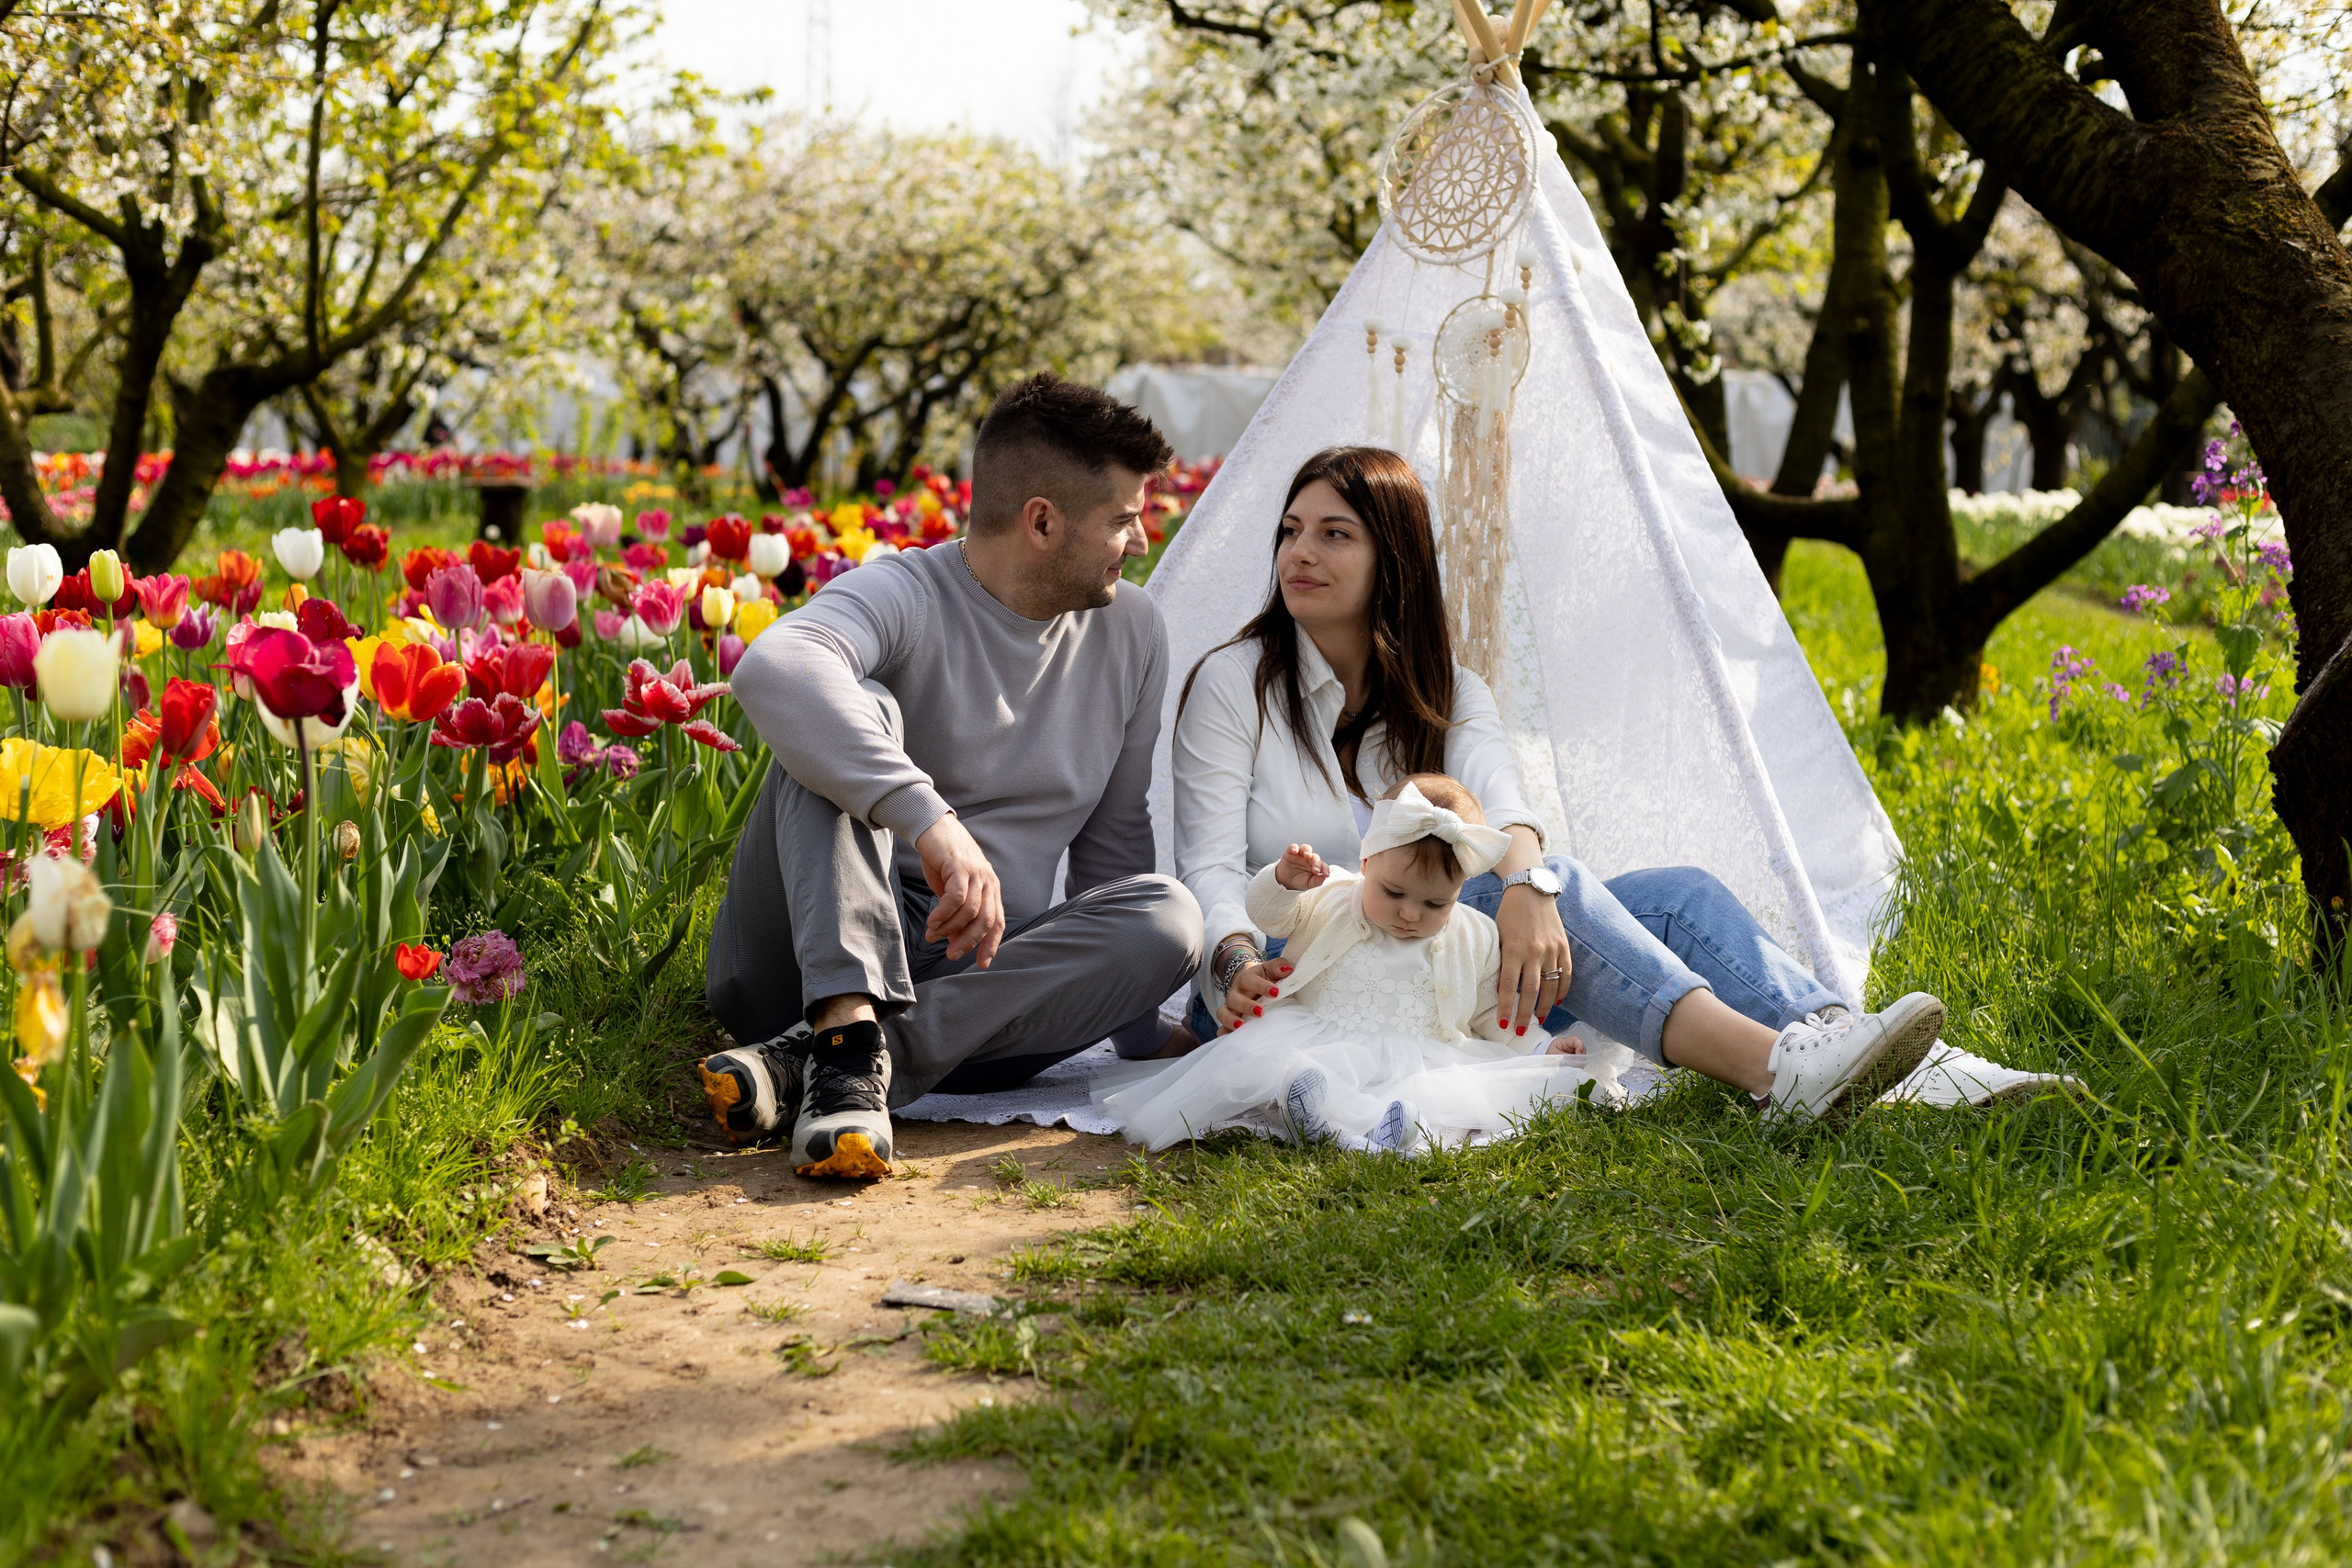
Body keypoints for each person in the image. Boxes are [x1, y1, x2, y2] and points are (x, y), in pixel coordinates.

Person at [1170, 445, 2041, 1127]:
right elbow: (1207, 867)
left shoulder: (1450, 690)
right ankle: (1778, 1072)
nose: (1299, 552)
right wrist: (1237, 960)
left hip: (1439, 984)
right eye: (1290, 530)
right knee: (1562, 889)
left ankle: (1882, 1057)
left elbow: (1507, 810)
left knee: (1674, 895)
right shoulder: (1236, 682)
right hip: (1289, 992)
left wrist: (1527, 885)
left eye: (1333, 533)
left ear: (1392, 558)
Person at [700, 375, 1205, 1179]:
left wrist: (1138, 1027)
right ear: (1042, 520)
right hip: (794, 961)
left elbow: (1114, 847)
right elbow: (776, 666)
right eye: (1123, 519)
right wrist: (929, 819)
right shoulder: (907, 592)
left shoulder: (1133, 631)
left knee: (1170, 914)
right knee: (848, 705)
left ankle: (838, 1060)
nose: (1140, 542)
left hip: (979, 995)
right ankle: (838, 1017)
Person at [1095, 775, 1620, 1152]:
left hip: (1422, 1057)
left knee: (1444, 1106)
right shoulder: (1335, 895)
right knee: (1289, 1076)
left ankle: (1373, 1139)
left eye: (1436, 903)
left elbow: (1494, 1015)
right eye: (1393, 892)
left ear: (1461, 892)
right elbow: (1271, 919)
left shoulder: (1475, 934)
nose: (1411, 914)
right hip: (1322, 1035)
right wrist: (1282, 880)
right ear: (1367, 861)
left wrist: (1541, 1046)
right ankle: (1322, 1120)